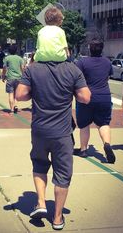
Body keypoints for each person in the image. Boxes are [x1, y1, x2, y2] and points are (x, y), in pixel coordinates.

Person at [15, 61, 91, 230]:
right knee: (63, 173)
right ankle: (57, 217)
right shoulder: (72, 69)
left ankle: (41, 203)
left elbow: (20, 95)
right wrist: (71, 91)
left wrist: (34, 92)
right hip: (62, 133)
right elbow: (85, 97)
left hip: (40, 131)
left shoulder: (32, 69)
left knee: (39, 164)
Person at [75, 38, 116, 163]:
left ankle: (83, 149)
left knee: (84, 124)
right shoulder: (107, 62)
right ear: (102, 48)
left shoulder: (82, 62)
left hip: (86, 96)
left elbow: (76, 79)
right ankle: (107, 144)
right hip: (104, 96)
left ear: (89, 48)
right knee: (103, 123)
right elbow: (108, 76)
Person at [2, 44, 24, 115]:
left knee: (11, 94)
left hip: (10, 78)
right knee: (16, 94)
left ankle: (11, 110)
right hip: (19, 78)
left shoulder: (7, 58)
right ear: (16, 51)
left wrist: (3, 76)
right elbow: (23, 68)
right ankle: (16, 106)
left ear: (9, 51)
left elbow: (4, 68)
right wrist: (24, 75)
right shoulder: (20, 58)